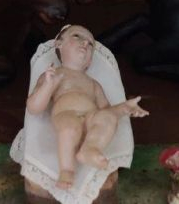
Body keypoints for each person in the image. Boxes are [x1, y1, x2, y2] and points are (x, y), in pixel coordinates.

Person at [26, 24, 148, 189]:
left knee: (108, 118)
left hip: (91, 117)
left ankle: (90, 148)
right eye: (77, 36)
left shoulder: (93, 84)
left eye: (90, 44)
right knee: (70, 127)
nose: (85, 43)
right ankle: (67, 169)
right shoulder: (55, 74)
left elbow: (105, 110)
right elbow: (34, 107)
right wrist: (48, 85)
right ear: (59, 44)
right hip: (66, 114)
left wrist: (124, 108)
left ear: (90, 61)